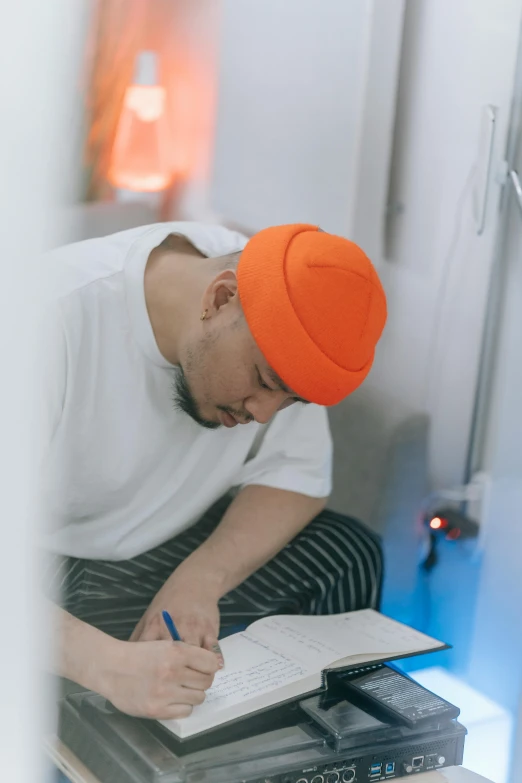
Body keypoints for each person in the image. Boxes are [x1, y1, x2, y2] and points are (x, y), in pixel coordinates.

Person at [40, 221, 387, 720]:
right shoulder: (46, 318)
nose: (264, 414)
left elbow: (295, 477)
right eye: (264, 381)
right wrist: (107, 664)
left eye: (290, 400)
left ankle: (308, 757)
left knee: (349, 553)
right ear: (220, 299)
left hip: (163, 548)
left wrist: (200, 580)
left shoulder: (282, 316)